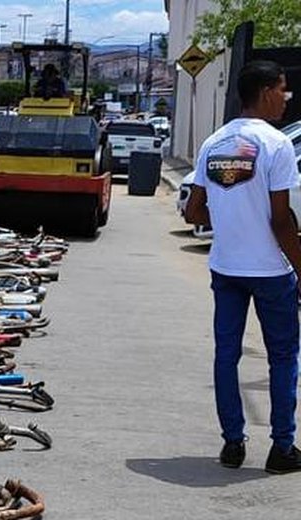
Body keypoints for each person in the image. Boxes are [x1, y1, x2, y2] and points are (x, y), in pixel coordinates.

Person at [186, 60, 301, 474]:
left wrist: (232, 219)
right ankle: (282, 447)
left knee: (226, 355)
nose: (286, 99)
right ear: (267, 91)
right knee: (284, 356)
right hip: (270, 271)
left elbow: (194, 210)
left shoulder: (213, 142)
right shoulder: (277, 144)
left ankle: (232, 444)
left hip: (226, 268)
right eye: (283, 90)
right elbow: (281, 219)